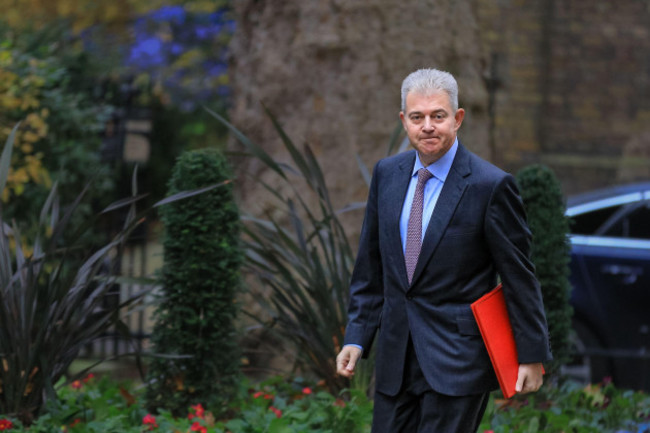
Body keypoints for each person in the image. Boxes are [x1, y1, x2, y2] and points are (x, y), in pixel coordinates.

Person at [335, 68, 552, 432]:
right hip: (395, 359)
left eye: (438, 115)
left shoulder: (490, 186)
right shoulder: (386, 174)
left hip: (457, 360)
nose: (428, 126)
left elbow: (519, 277)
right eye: (417, 117)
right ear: (404, 121)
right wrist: (357, 336)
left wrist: (530, 356)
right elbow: (370, 268)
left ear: (458, 118)